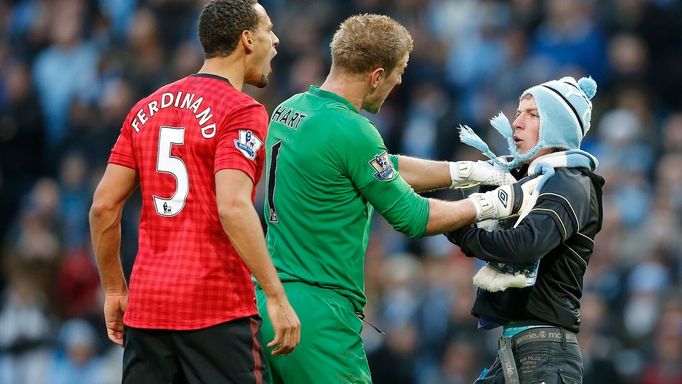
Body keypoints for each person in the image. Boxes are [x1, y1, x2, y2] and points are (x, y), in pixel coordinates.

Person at [256, 14, 531, 383]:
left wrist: (465, 172)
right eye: (398, 71)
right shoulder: (353, 130)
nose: (400, 81)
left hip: (272, 303)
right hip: (320, 314)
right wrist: (493, 203)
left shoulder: (290, 109)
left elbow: (375, 166)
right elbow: (413, 217)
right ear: (376, 75)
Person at [88, 1, 300, 383]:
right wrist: (276, 296)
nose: (276, 40)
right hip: (216, 309)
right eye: (269, 30)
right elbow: (233, 206)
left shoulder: (146, 108)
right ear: (247, 39)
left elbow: (103, 206)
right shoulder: (241, 111)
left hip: (148, 309)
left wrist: (115, 291)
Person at [446, 75, 605, 383]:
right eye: (518, 112)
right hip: (519, 351)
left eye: (532, 114)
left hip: (546, 355)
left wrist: (459, 228)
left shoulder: (571, 181)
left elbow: (525, 245)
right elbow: (452, 201)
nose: (517, 122)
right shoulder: (523, 180)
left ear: (559, 126)